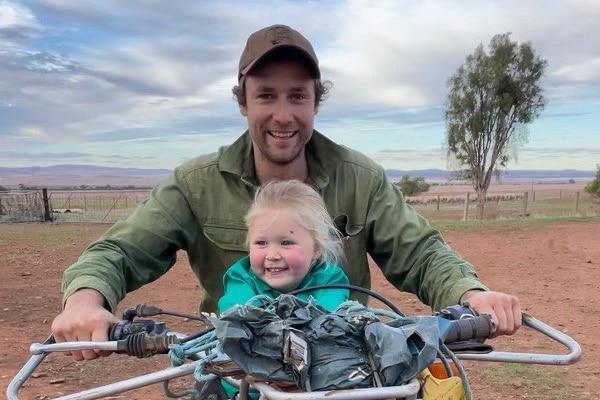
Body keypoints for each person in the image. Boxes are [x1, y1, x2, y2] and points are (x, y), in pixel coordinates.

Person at [51, 24, 521, 362]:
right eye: (266, 96)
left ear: (316, 100)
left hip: (345, 368)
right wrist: (86, 299)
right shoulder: (195, 183)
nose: (283, 115)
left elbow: (419, 252)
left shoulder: (359, 177)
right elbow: (120, 250)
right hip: (235, 367)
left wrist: (470, 291)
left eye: (297, 96)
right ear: (243, 102)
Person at [217, 179, 349, 313]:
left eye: (286, 243)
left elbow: (328, 315)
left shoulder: (329, 279)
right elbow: (237, 314)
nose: (272, 255)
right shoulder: (241, 277)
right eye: (261, 243)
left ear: (316, 248)